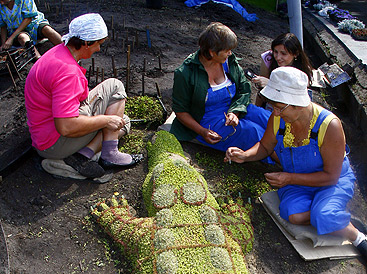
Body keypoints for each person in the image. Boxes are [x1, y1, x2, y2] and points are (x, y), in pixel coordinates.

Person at [224, 67, 367, 259]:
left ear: (297, 105)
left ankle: (357, 236)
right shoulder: (278, 118)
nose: (274, 112)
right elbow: (265, 147)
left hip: (331, 181)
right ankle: (330, 215)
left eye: (279, 107)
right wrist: (245, 155)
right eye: (273, 105)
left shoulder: (329, 125)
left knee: (322, 215)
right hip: (298, 181)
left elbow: (331, 176)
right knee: (293, 215)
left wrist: (288, 178)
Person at [24, 13, 142, 180]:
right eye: (98, 44)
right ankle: (106, 154)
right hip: (53, 144)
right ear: (86, 43)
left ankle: (82, 155)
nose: (99, 49)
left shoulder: (58, 51)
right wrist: (105, 120)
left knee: (116, 98)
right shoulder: (68, 72)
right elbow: (65, 127)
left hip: (42, 132)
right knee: (120, 122)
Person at [170, 22, 271, 153]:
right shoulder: (185, 73)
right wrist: (202, 132)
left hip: (235, 108)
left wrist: (235, 112)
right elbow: (180, 111)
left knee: (269, 119)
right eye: (227, 50)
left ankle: (298, 152)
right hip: (207, 120)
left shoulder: (229, 62)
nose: (230, 53)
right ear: (212, 52)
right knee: (253, 132)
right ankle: (286, 163)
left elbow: (244, 90)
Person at [251, 32, 313, 108]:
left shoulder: (303, 72)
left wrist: (271, 84)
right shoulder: (269, 59)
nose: (278, 57)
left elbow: (298, 101)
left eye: (283, 54)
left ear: (295, 54)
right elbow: (261, 90)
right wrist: (257, 108)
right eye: (275, 52)